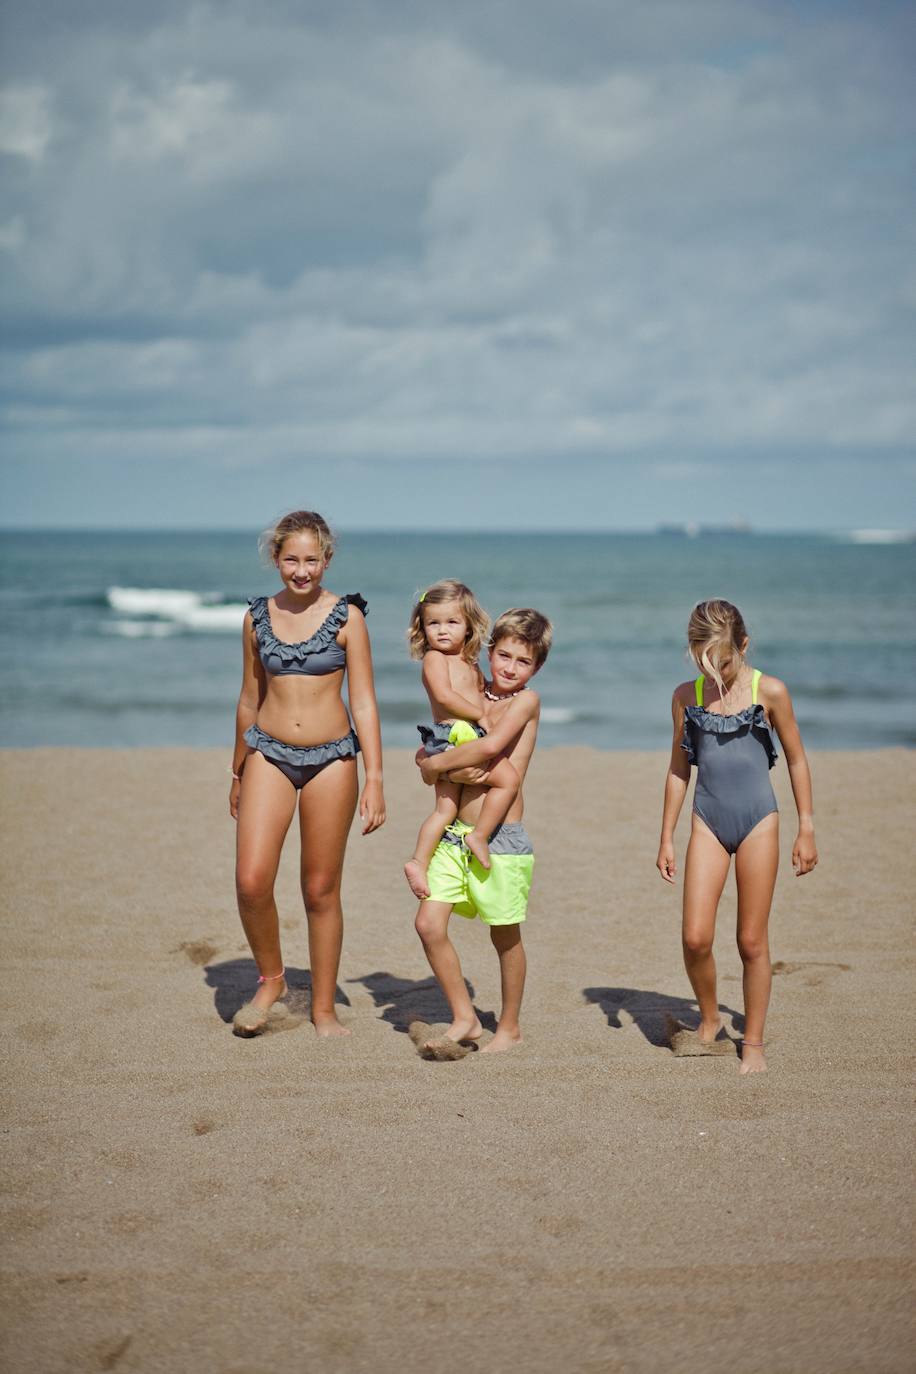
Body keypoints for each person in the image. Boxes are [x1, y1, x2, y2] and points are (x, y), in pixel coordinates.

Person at [229, 510, 385, 1038]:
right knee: (251, 880)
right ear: (276, 559)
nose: (301, 570)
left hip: (332, 760)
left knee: (320, 889)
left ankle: (322, 1008)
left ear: (327, 559)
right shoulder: (256, 617)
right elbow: (250, 698)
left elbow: (363, 702)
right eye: (290, 559)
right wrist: (236, 772)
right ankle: (271, 980)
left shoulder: (348, 618)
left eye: (311, 560)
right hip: (267, 755)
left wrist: (376, 777)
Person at [656, 599, 818, 1074]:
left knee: (751, 940)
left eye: (723, 661)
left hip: (759, 822)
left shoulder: (770, 690)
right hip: (706, 819)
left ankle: (754, 1042)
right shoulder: (687, 696)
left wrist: (806, 827)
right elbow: (678, 768)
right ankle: (709, 1021)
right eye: (705, 662)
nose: (717, 673)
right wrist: (665, 834)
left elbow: (795, 759)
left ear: (743, 646)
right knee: (695, 937)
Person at [412, 608, 553, 1056]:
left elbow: (491, 747)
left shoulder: (525, 702)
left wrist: (433, 765)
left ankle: (509, 1027)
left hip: (501, 840)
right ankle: (466, 1018)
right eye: (505, 655)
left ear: (537, 668)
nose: (511, 667)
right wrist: (427, 755)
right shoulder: (472, 691)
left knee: (504, 934)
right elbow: (443, 738)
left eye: (523, 661)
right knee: (428, 923)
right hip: (454, 834)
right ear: (490, 650)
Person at [404, 580, 521, 899]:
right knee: (507, 780)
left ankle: (434, 856)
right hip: (451, 736)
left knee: (448, 809)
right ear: (422, 627)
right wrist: (479, 715)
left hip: (465, 738)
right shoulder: (435, 659)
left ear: (469, 625)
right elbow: (445, 695)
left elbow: (484, 694)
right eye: (433, 623)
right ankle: (431, 855)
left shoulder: (470, 662)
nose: (442, 631)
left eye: (452, 622)